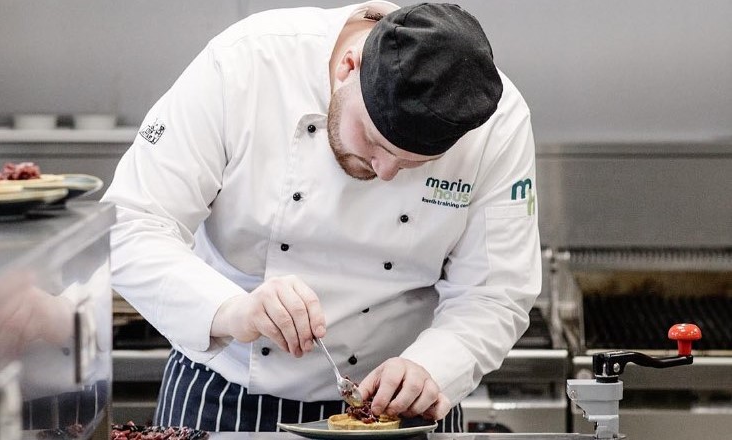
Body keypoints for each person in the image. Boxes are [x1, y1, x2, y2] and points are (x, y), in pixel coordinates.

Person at [102, 1, 541, 433]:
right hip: (225, 392)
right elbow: (131, 224)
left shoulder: (496, 123)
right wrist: (232, 309)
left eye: (412, 165)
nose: (384, 172)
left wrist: (433, 366)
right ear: (347, 67)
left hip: (402, 411)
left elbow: (494, 292)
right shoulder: (245, 64)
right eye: (373, 141)